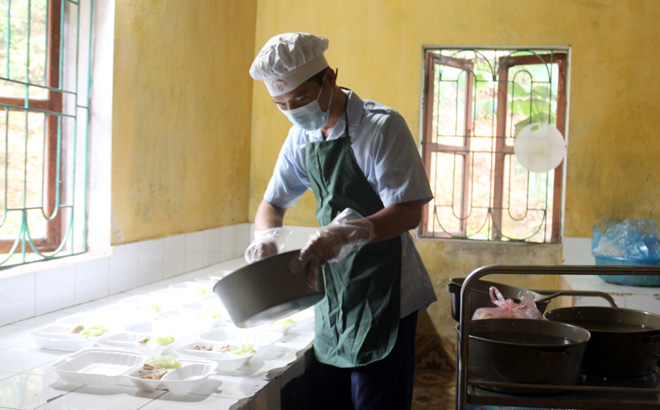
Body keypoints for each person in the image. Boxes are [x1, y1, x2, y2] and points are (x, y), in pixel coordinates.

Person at [246, 32, 437, 410]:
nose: (292, 110)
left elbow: (409, 211)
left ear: (330, 78)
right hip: (333, 293)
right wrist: (267, 237)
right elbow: (271, 203)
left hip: (387, 290)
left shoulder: (380, 127)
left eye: (299, 99)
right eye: (280, 104)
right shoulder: (300, 138)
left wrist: (350, 232)